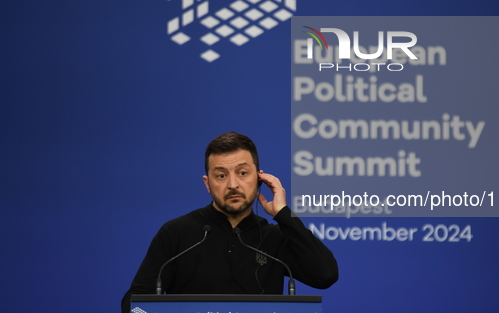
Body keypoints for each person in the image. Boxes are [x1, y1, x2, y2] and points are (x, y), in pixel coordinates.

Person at [121, 132, 338, 313]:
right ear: (208, 183)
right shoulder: (176, 232)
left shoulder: (274, 238)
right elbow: (135, 301)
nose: (233, 184)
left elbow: (325, 275)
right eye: (221, 176)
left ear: (259, 178)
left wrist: (283, 214)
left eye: (242, 173)